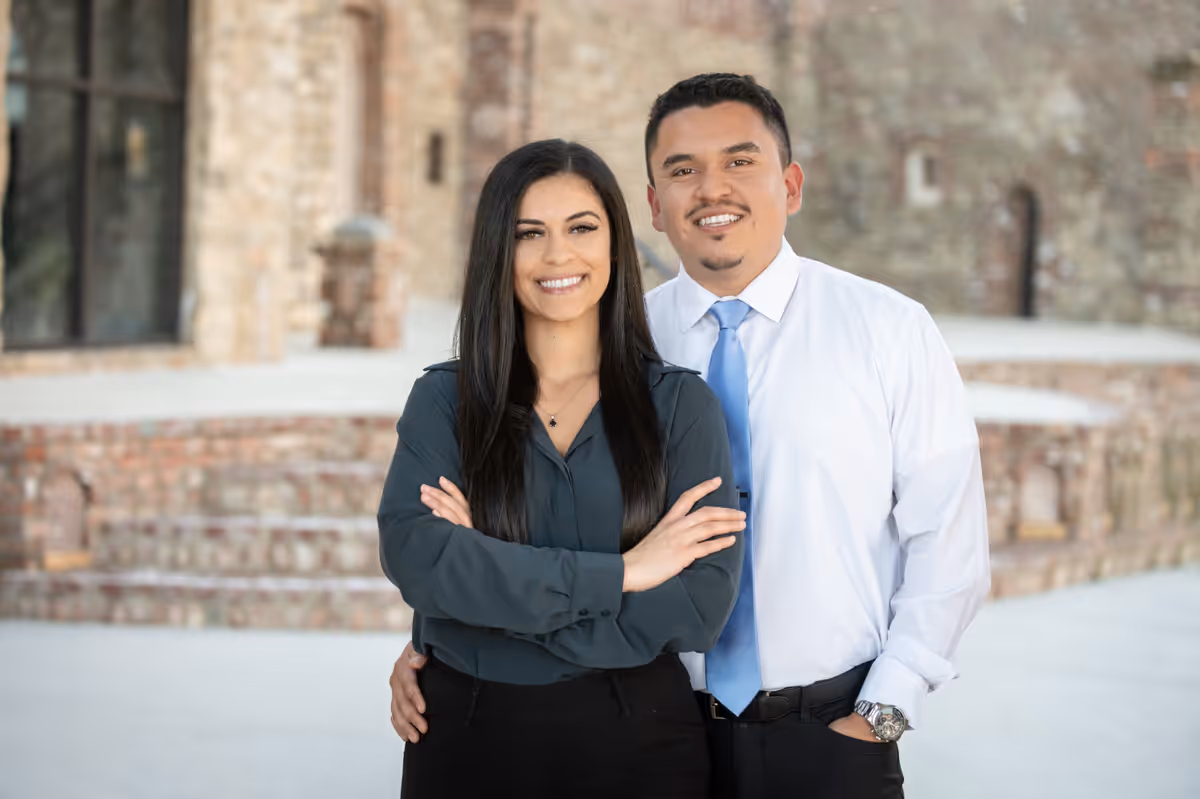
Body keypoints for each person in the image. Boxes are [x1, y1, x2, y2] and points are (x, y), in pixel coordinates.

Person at [393, 74, 991, 799]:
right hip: (654, 720)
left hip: (826, 728)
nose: (712, 189)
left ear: (791, 183)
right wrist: (444, 637)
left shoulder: (887, 330)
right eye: (682, 170)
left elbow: (948, 536)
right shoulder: (620, 333)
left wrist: (887, 707)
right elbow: (528, 522)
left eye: (740, 162)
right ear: (651, 205)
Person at [376, 138, 748, 799]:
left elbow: (696, 606)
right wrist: (626, 571)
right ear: (499, 250)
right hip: (467, 741)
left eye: (582, 227)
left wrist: (484, 599)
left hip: (641, 744)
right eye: (530, 233)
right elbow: (421, 560)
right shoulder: (443, 401)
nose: (558, 255)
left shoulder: (682, 406)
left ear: (615, 244)